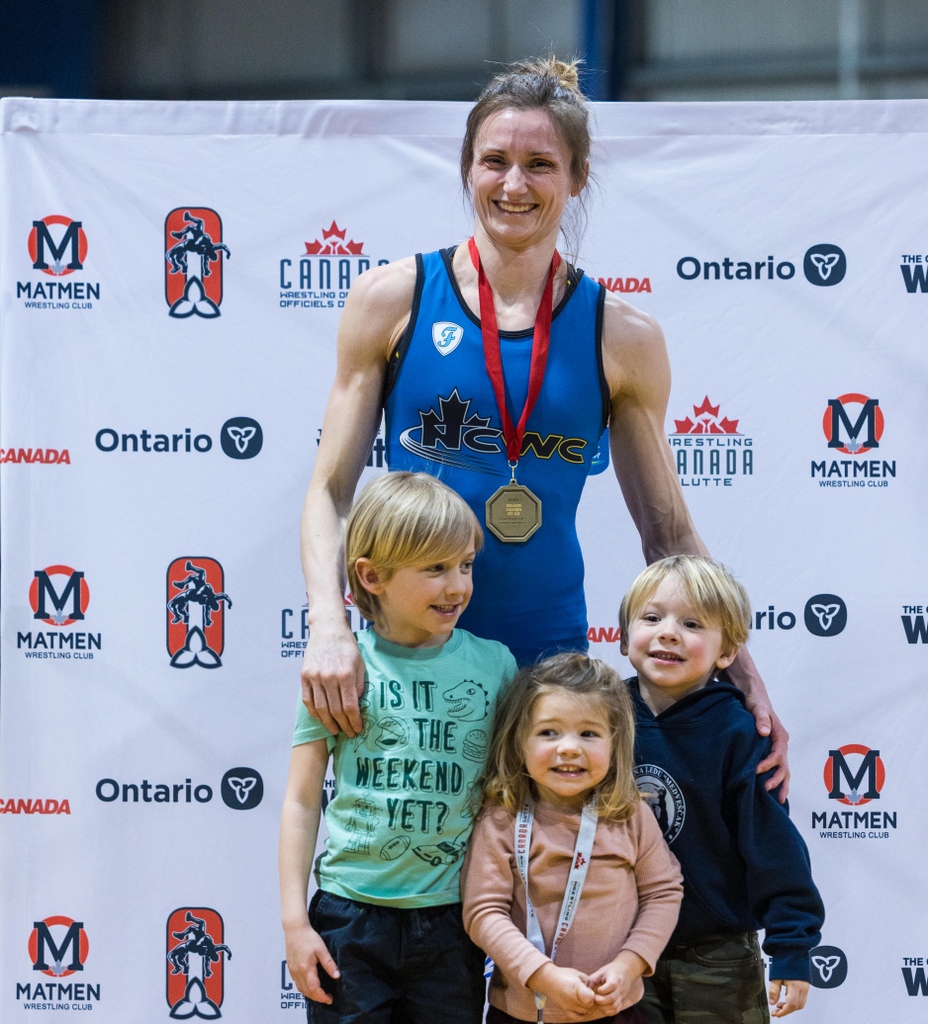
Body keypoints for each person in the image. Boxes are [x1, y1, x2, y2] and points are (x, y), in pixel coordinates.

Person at [299, 55, 787, 795]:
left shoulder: (622, 335)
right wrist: (328, 626)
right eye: (494, 161)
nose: (515, 185)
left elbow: (669, 533)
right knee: (408, 889)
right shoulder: (391, 300)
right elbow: (331, 491)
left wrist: (741, 668)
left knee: (542, 896)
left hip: (548, 674)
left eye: (540, 164)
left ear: (577, 177)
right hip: (409, 662)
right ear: (467, 168)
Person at [280, 472, 517, 1023]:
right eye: (435, 568)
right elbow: (300, 799)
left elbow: (511, 797)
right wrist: (296, 921)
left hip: (453, 921)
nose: (457, 585)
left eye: (465, 564)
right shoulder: (338, 669)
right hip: (349, 917)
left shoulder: (496, 665)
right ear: (372, 576)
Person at [618, 556, 825, 1022]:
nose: (668, 632)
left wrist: (792, 946)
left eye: (691, 624)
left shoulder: (740, 733)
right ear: (623, 636)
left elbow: (773, 846)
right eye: (651, 618)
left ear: (727, 653)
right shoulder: (600, 723)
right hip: (621, 948)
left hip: (718, 953)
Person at [462, 653, 684, 1024]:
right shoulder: (501, 816)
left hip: (618, 1008)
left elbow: (663, 893)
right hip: (523, 1013)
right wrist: (545, 978)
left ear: (615, 744)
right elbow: (484, 913)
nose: (569, 747)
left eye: (589, 733)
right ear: (520, 741)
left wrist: (629, 966)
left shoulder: (629, 812)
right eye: (549, 732)